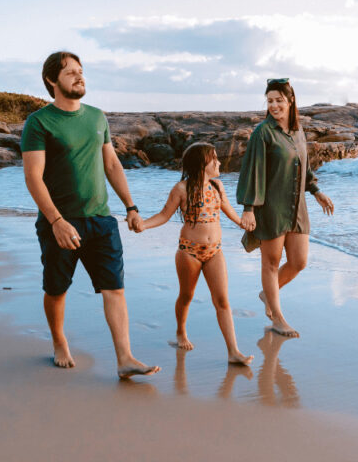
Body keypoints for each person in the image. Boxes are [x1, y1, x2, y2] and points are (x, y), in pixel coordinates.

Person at [20, 51, 159, 379]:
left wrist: (131, 206)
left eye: (81, 71)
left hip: (101, 219)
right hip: (61, 223)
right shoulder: (39, 123)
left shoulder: (97, 117)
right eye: (70, 73)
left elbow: (111, 164)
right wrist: (56, 221)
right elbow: (32, 177)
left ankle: (125, 358)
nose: (79, 77)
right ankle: (59, 341)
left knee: (115, 289)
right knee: (57, 290)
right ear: (52, 81)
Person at [138, 142, 253, 365]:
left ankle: (233, 351)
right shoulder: (181, 188)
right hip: (189, 251)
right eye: (215, 158)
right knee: (187, 296)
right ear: (203, 164)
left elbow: (229, 212)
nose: (219, 162)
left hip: (215, 251)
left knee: (222, 301)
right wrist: (143, 224)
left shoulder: (218, 186)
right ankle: (181, 331)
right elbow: (164, 215)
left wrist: (245, 223)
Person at [237, 78, 334, 338]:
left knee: (299, 262)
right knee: (271, 262)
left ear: (291, 101)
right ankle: (278, 318)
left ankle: (267, 294)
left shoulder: (298, 131)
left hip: (296, 206)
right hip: (270, 206)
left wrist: (316, 191)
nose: (274, 105)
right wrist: (249, 208)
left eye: (279, 100)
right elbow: (252, 171)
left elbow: (305, 166)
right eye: (270, 101)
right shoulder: (263, 133)